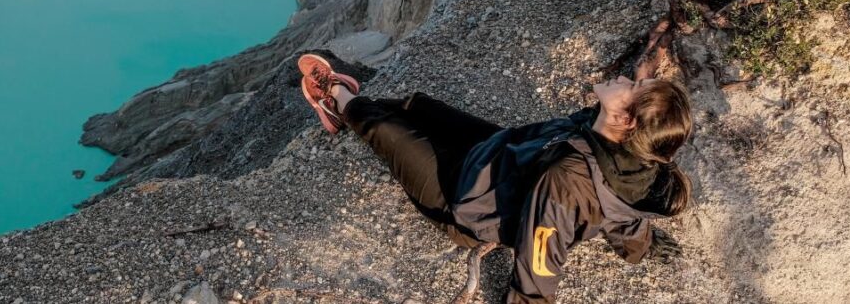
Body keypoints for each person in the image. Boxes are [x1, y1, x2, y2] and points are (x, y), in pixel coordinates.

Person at [296, 53, 692, 303]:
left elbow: (542, 254)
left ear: (626, 121)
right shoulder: (632, 156)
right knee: (421, 106)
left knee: (384, 130)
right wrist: (644, 246)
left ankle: (336, 98)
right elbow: (624, 209)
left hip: (461, 198)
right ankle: (361, 104)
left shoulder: (566, 182)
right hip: (501, 154)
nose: (626, 79)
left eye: (634, 86)